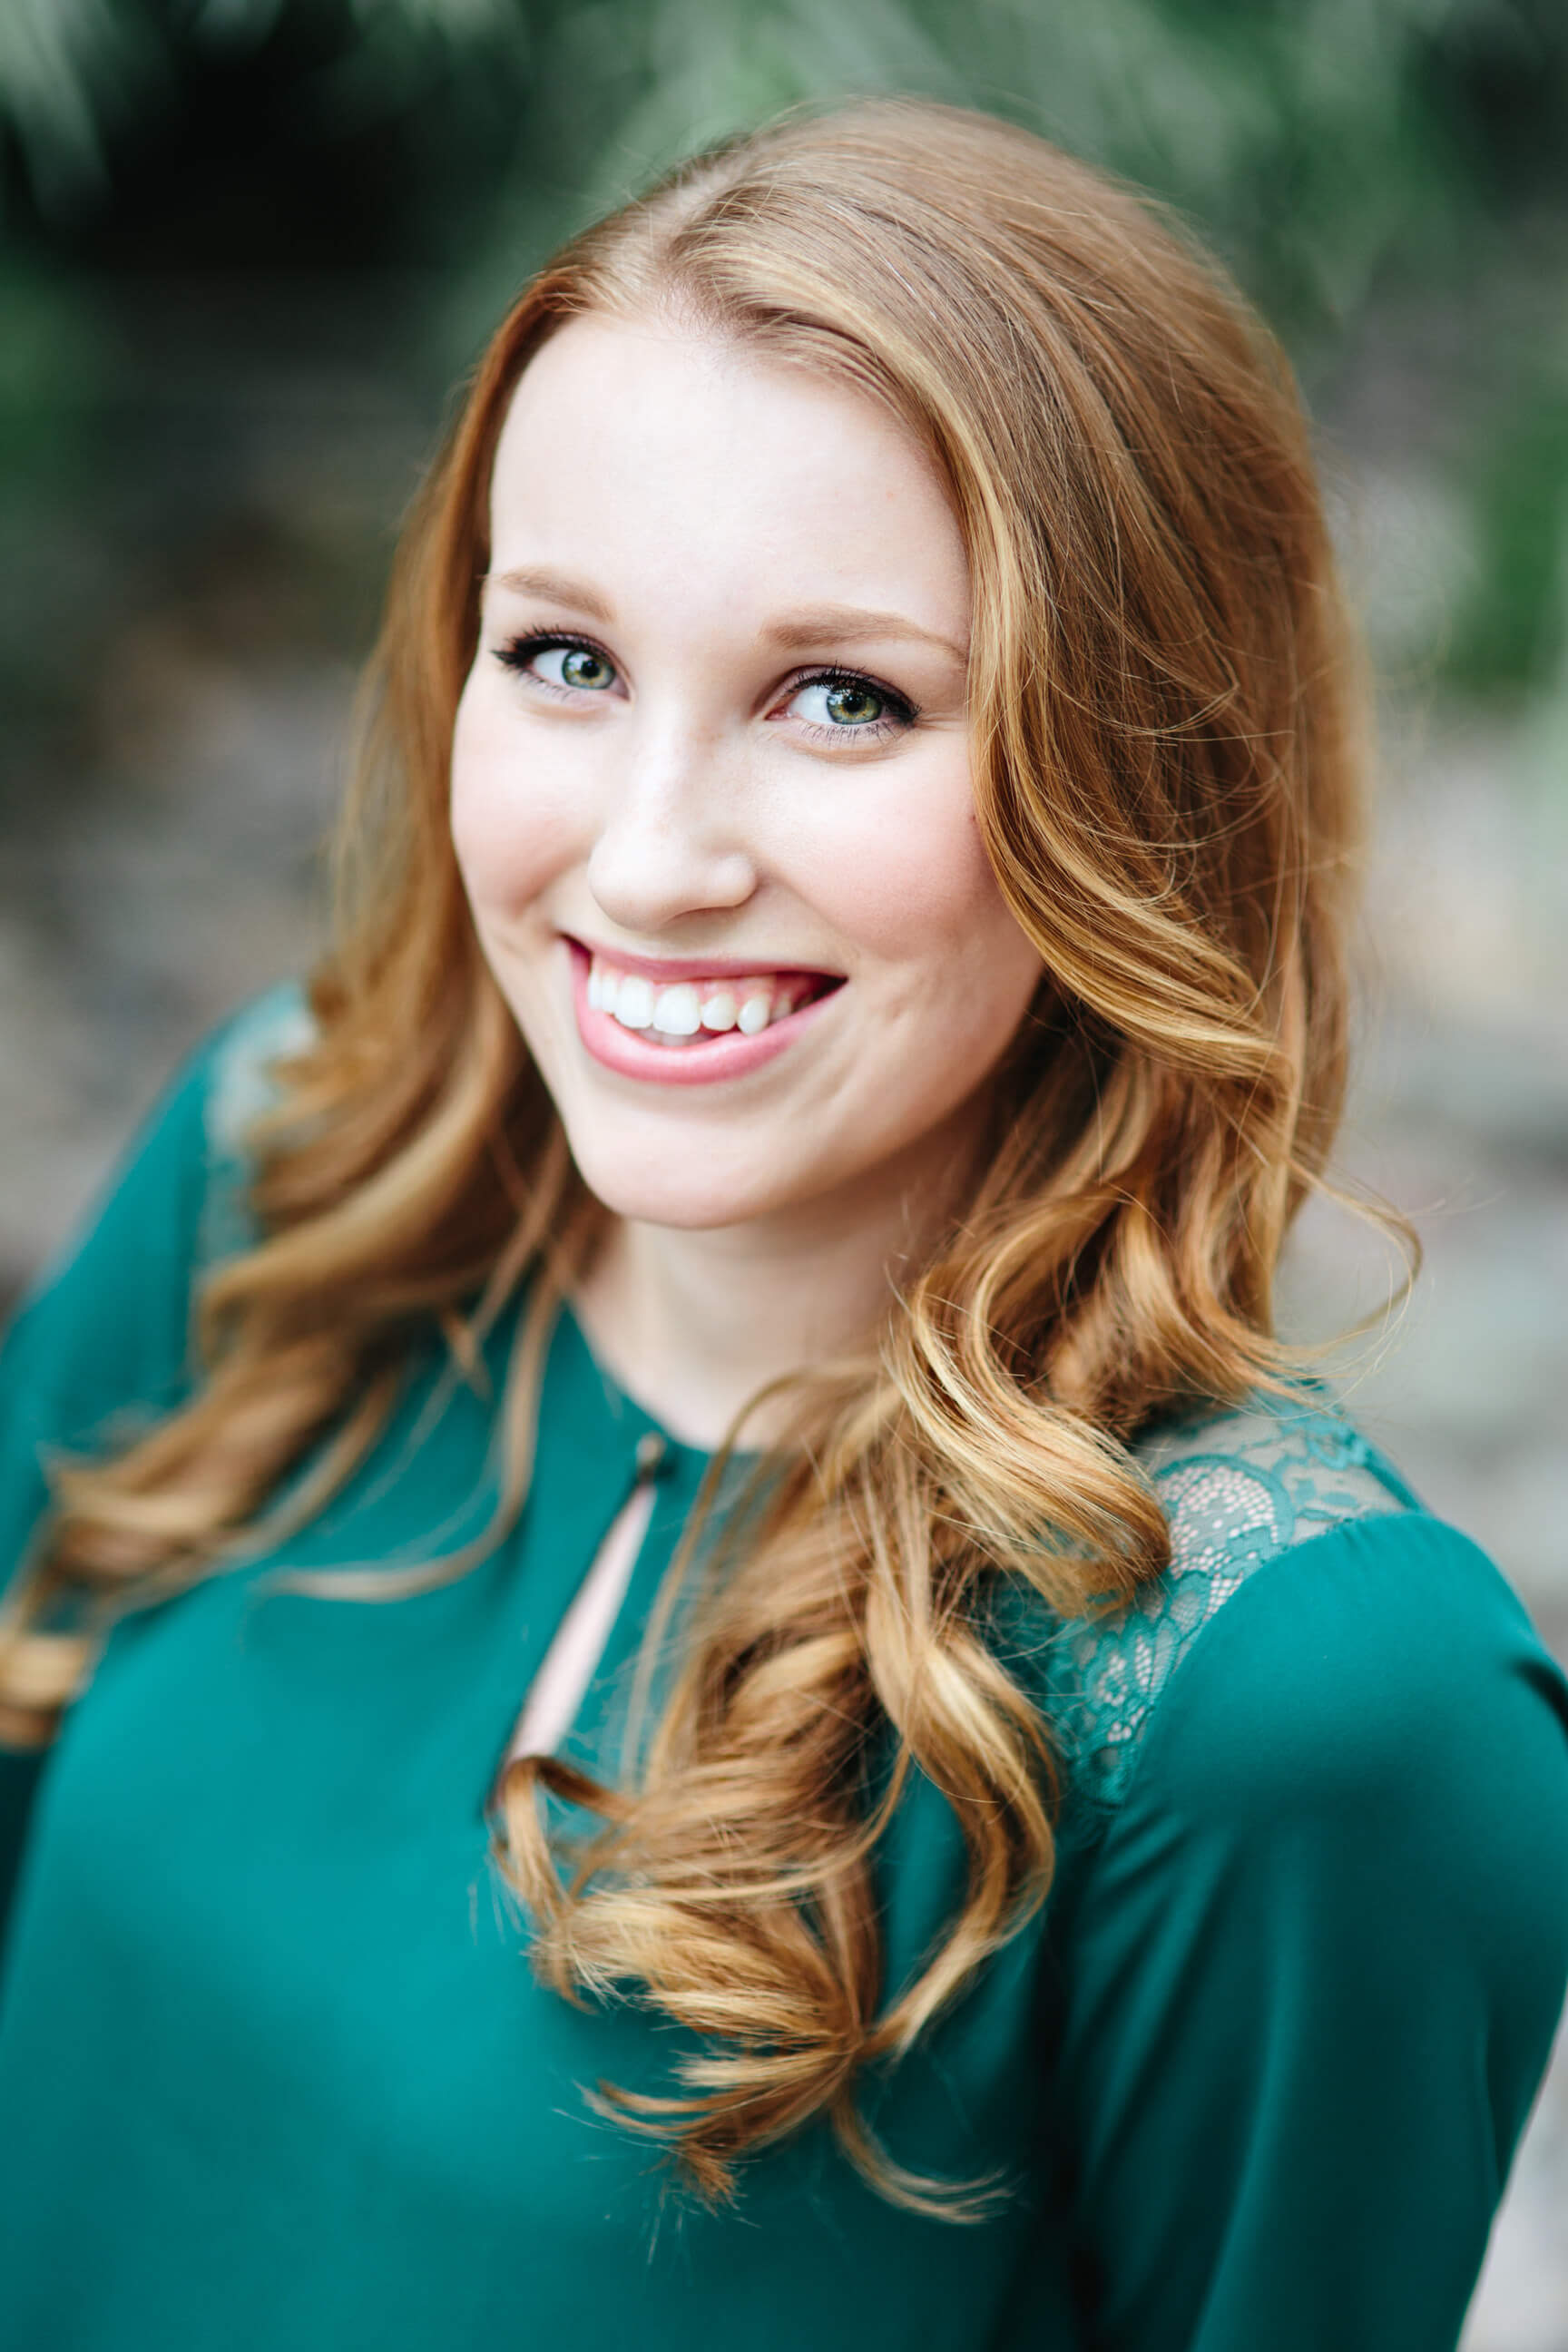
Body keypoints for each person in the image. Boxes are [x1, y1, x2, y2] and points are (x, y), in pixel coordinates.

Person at [1, 97, 1564, 2352]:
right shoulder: (276, 1185)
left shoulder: (1293, 1712)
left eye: (842, 698)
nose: (648, 858)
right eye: (562, 658)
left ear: (1141, 769)